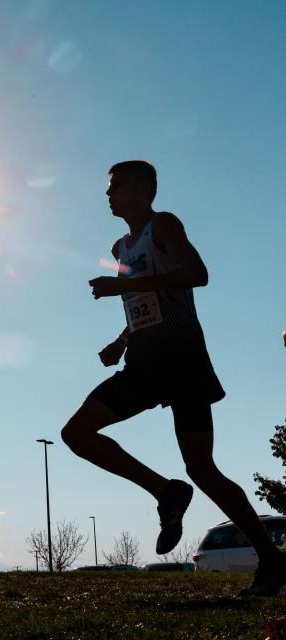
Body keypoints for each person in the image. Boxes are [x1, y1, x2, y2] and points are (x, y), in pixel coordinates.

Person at [61, 160, 286, 596]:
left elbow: (197, 274)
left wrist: (119, 286)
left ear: (144, 189)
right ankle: (166, 492)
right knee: (77, 433)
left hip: (182, 360)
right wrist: (122, 339)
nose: (108, 194)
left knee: (202, 467)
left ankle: (272, 560)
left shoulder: (162, 225)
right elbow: (144, 296)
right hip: (144, 362)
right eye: (108, 188)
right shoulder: (120, 245)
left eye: (116, 186)